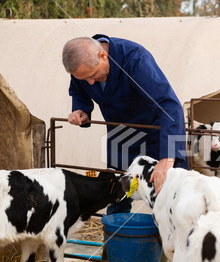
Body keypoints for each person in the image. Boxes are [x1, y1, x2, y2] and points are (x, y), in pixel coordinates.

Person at [62, 34, 188, 214]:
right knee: (117, 194)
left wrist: (167, 157)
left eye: (93, 75)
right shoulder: (83, 66)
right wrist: (81, 109)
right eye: (84, 79)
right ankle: (118, 237)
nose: (90, 82)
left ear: (103, 56)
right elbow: (78, 89)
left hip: (157, 134)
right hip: (120, 138)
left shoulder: (136, 60)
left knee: (175, 196)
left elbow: (170, 106)